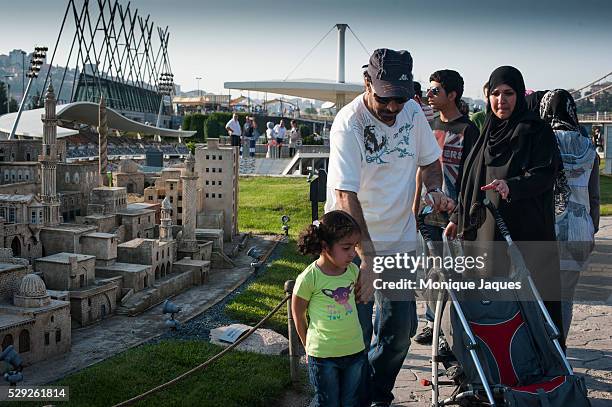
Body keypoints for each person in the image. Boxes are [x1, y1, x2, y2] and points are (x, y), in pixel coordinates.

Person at [325, 48, 453, 406]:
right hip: (351, 245)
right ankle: (353, 398)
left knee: (399, 332)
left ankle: (375, 393)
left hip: (399, 241)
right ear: (367, 82)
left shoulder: (412, 112)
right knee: (356, 332)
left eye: (400, 97)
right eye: (385, 98)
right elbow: (345, 194)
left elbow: (430, 162)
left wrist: (434, 189)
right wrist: (365, 258)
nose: (393, 107)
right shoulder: (348, 123)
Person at [449, 66, 565, 348]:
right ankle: (493, 365)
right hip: (484, 233)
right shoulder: (485, 132)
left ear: (519, 95)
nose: (501, 100)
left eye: (509, 93)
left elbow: (545, 174)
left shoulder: (536, 131)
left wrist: (512, 186)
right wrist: (457, 216)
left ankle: (540, 362)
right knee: (489, 303)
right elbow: (468, 181)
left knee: (531, 300)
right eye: (496, 93)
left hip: (524, 232)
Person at [413, 69, 479, 346]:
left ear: (452, 95)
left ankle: (448, 329)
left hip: (454, 216)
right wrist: (415, 205)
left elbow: (472, 177)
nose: (429, 94)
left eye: (435, 90)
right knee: (432, 270)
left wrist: (460, 212)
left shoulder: (469, 130)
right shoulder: (430, 129)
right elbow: (420, 170)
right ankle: (432, 323)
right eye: (429, 90)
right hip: (428, 214)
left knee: (451, 272)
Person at [539, 89, 600, 339]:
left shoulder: (541, 141)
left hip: (546, 229)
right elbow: (594, 197)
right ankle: (559, 347)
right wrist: (590, 227)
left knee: (541, 297)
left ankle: (543, 347)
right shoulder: (588, 147)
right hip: (579, 231)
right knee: (565, 298)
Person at [293, 210, 367, 407]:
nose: (353, 253)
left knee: (350, 401)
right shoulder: (309, 278)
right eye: (346, 248)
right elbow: (298, 315)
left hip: (354, 352)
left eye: (355, 247)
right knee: (329, 403)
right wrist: (307, 346)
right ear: (325, 246)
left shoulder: (353, 271)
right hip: (323, 357)